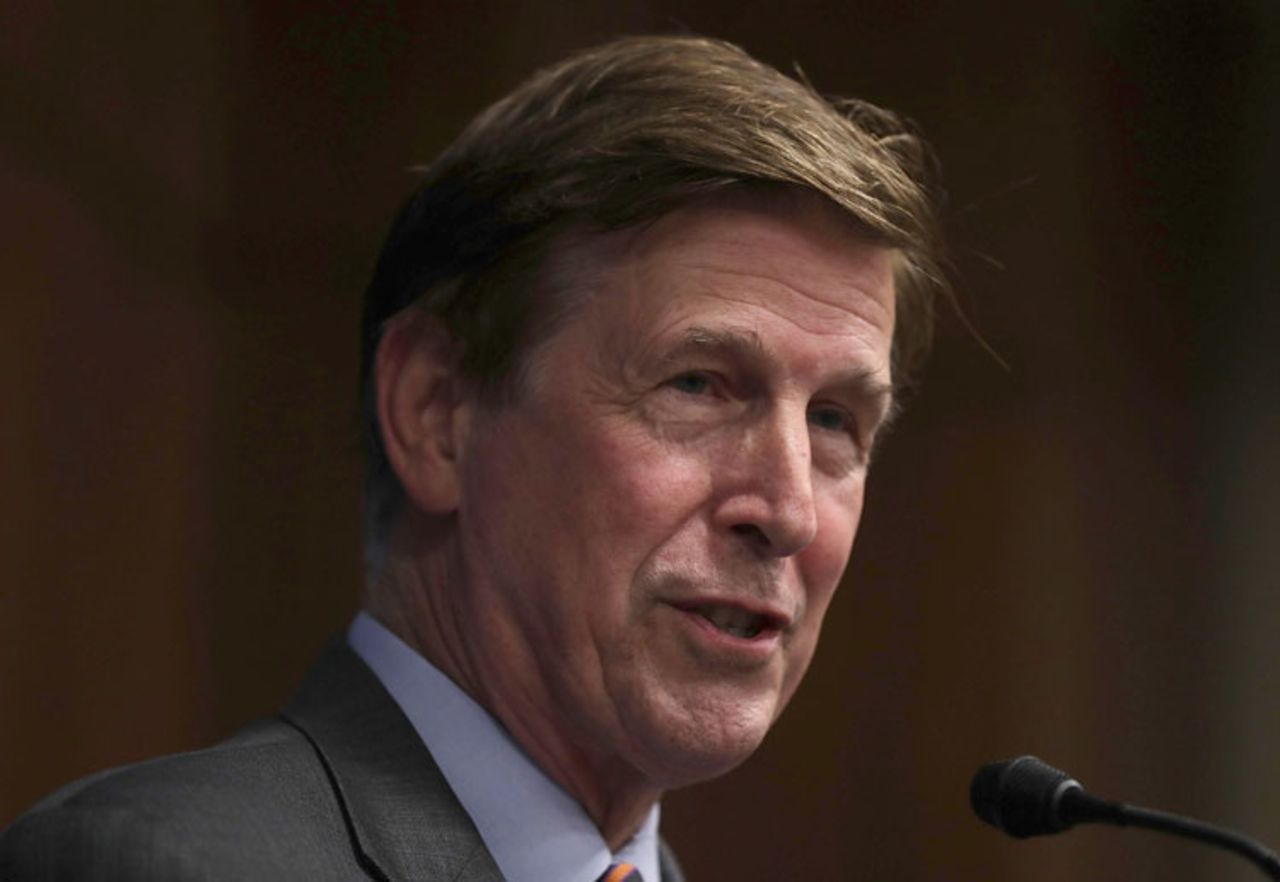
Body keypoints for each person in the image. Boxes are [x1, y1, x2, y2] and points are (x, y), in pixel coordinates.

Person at [0, 34, 945, 881]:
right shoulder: (146, 867)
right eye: (697, 384)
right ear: (437, 414)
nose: (787, 511)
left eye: (833, 422)